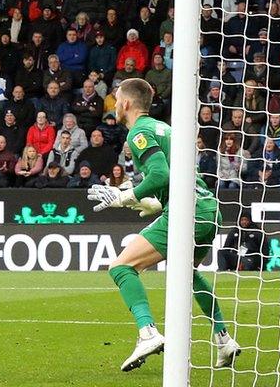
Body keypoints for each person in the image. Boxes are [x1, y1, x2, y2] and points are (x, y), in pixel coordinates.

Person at [86, 78, 240, 372]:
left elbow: (160, 175)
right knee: (187, 276)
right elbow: (172, 182)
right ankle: (224, 340)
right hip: (207, 209)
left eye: (118, 99)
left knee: (120, 267)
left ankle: (148, 333)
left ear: (127, 103)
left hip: (187, 214)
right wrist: (148, 202)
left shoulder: (139, 132)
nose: (115, 104)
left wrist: (125, 197)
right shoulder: (164, 129)